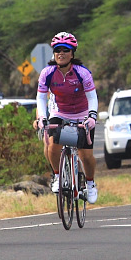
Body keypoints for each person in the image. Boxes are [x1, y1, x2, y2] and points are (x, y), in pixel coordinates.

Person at [33, 32, 99, 204]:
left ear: (72, 53)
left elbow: (92, 97)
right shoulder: (47, 73)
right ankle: (57, 176)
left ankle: (90, 183)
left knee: (86, 156)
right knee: (52, 146)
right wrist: (41, 117)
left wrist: (92, 116)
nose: (60, 54)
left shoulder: (82, 73)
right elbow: (41, 97)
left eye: (65, 50)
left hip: (83, 114)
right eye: (57, 50)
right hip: (59, 113)